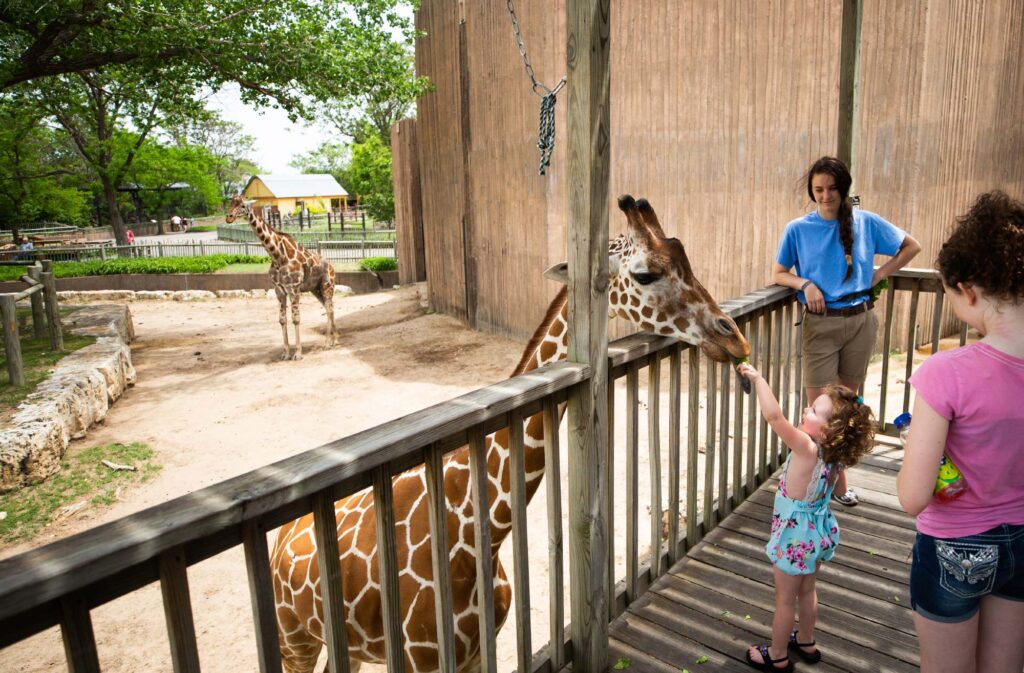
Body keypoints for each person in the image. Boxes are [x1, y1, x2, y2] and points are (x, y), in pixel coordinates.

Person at [896, 190, 1024, 673]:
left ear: (968, 292)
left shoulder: (945, 373)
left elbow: (913, 496)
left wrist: (917, 450)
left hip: (956, 547)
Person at [773, 156, 921, 507]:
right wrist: (805, 283)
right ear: (812, 190)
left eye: (832, 189)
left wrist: (881, 273)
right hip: (819, 326)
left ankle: (838, 484)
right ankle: (811, 483)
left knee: (844, 412)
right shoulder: (797, 228)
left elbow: (911, 245)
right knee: (816, 413)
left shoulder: (865, 222)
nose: (825, 196)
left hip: (860, 321)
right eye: (818, 189)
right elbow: (779, 272)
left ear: (844, 189)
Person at [736, 363, 875, 671]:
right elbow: (838, 486)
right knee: (808, 590)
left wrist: (758, 380)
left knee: (785, 601)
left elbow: (774, 417)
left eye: (813, 411)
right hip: (816, 532)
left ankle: (777, 655)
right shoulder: (833, 452)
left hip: (794, 536)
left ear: (826, 430)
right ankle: (807, 641)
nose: (805, 410)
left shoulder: (807, 448)